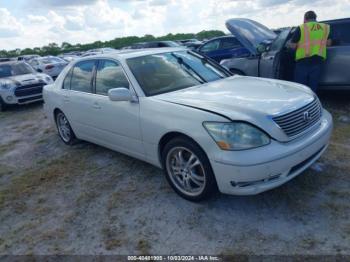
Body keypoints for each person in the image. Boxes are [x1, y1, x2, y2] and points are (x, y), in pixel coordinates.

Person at [289, 11, 331, 92]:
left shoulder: (302, 27)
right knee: (313, 86)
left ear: (305, 18)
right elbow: (328, 43)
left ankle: (302, 101)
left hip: (303, 61)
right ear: (315, 18)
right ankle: (312, 100)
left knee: (300, 87)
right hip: (317, 60)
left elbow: (293, 46)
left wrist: (289, 44)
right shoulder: (325, 27)